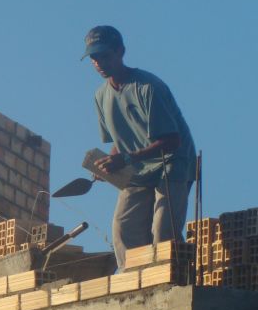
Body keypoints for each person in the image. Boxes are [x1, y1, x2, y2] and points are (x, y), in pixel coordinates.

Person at [82, 25, 196, 271]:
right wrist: (106, 164)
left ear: (121, 52)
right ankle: (135, 285)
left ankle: (171, 281)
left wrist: (124, 159)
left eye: (105, 56)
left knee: (163, 232)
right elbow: (119, 140)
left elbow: (172, 141)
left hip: (173, 164)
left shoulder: (148, 87)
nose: (99, 63)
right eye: (94, 58)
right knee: (124, 227)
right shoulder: (101, 96)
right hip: (138, 169)